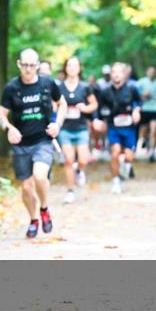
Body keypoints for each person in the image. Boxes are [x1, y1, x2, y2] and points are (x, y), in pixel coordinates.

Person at [0, 48, 67, 238]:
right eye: (25, 65)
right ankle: (33, 219)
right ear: (19, 65)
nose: (28, 69)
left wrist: (57, 124)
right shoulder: (12, 88)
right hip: (21, 144)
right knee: (26, 187)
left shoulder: (47, 83)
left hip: (43, 140)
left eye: (32, 65)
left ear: (37, 66)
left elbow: (63, 104)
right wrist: (9, 128)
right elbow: (1, 115)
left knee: (39, 176)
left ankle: (44, 208)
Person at [93, 62, 141, 194]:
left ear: (125, 74)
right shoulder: (105, 91)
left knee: (129, 157)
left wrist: (136, 111)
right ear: (111, 75)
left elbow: (138, 102)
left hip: (129, 127)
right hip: (113, 126)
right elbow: (98, 107)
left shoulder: (132, 89)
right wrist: (97, 120)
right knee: (115, 152)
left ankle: (125, 166)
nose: (116, 75)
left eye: (119, 72)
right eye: (114, 72)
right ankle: (116, 181)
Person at [57, 57, 98, 204]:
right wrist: (59, 110)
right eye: (69, 65)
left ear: (79, 68)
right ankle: (70, 191)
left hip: (81, 128)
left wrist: (85, 108)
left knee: (83, 159)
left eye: (75, 65)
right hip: (65, 128)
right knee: (68, 160)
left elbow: (94, 104)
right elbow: (54, 105)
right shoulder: (59, 87)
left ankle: (79, 170)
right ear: (65, 68)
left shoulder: (85, 87)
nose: (72, 68)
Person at [136, 66, 156, 162]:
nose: (152, 74)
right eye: (150, 72)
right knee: (143, 129)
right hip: (144, 109)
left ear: (155, 73)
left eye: (153, 72)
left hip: (155, 109)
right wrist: (143, 94)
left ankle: (152, 151)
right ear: (147, 72)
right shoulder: (141, 82)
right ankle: (144, 140)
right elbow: (136, 94)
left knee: (153, 130)